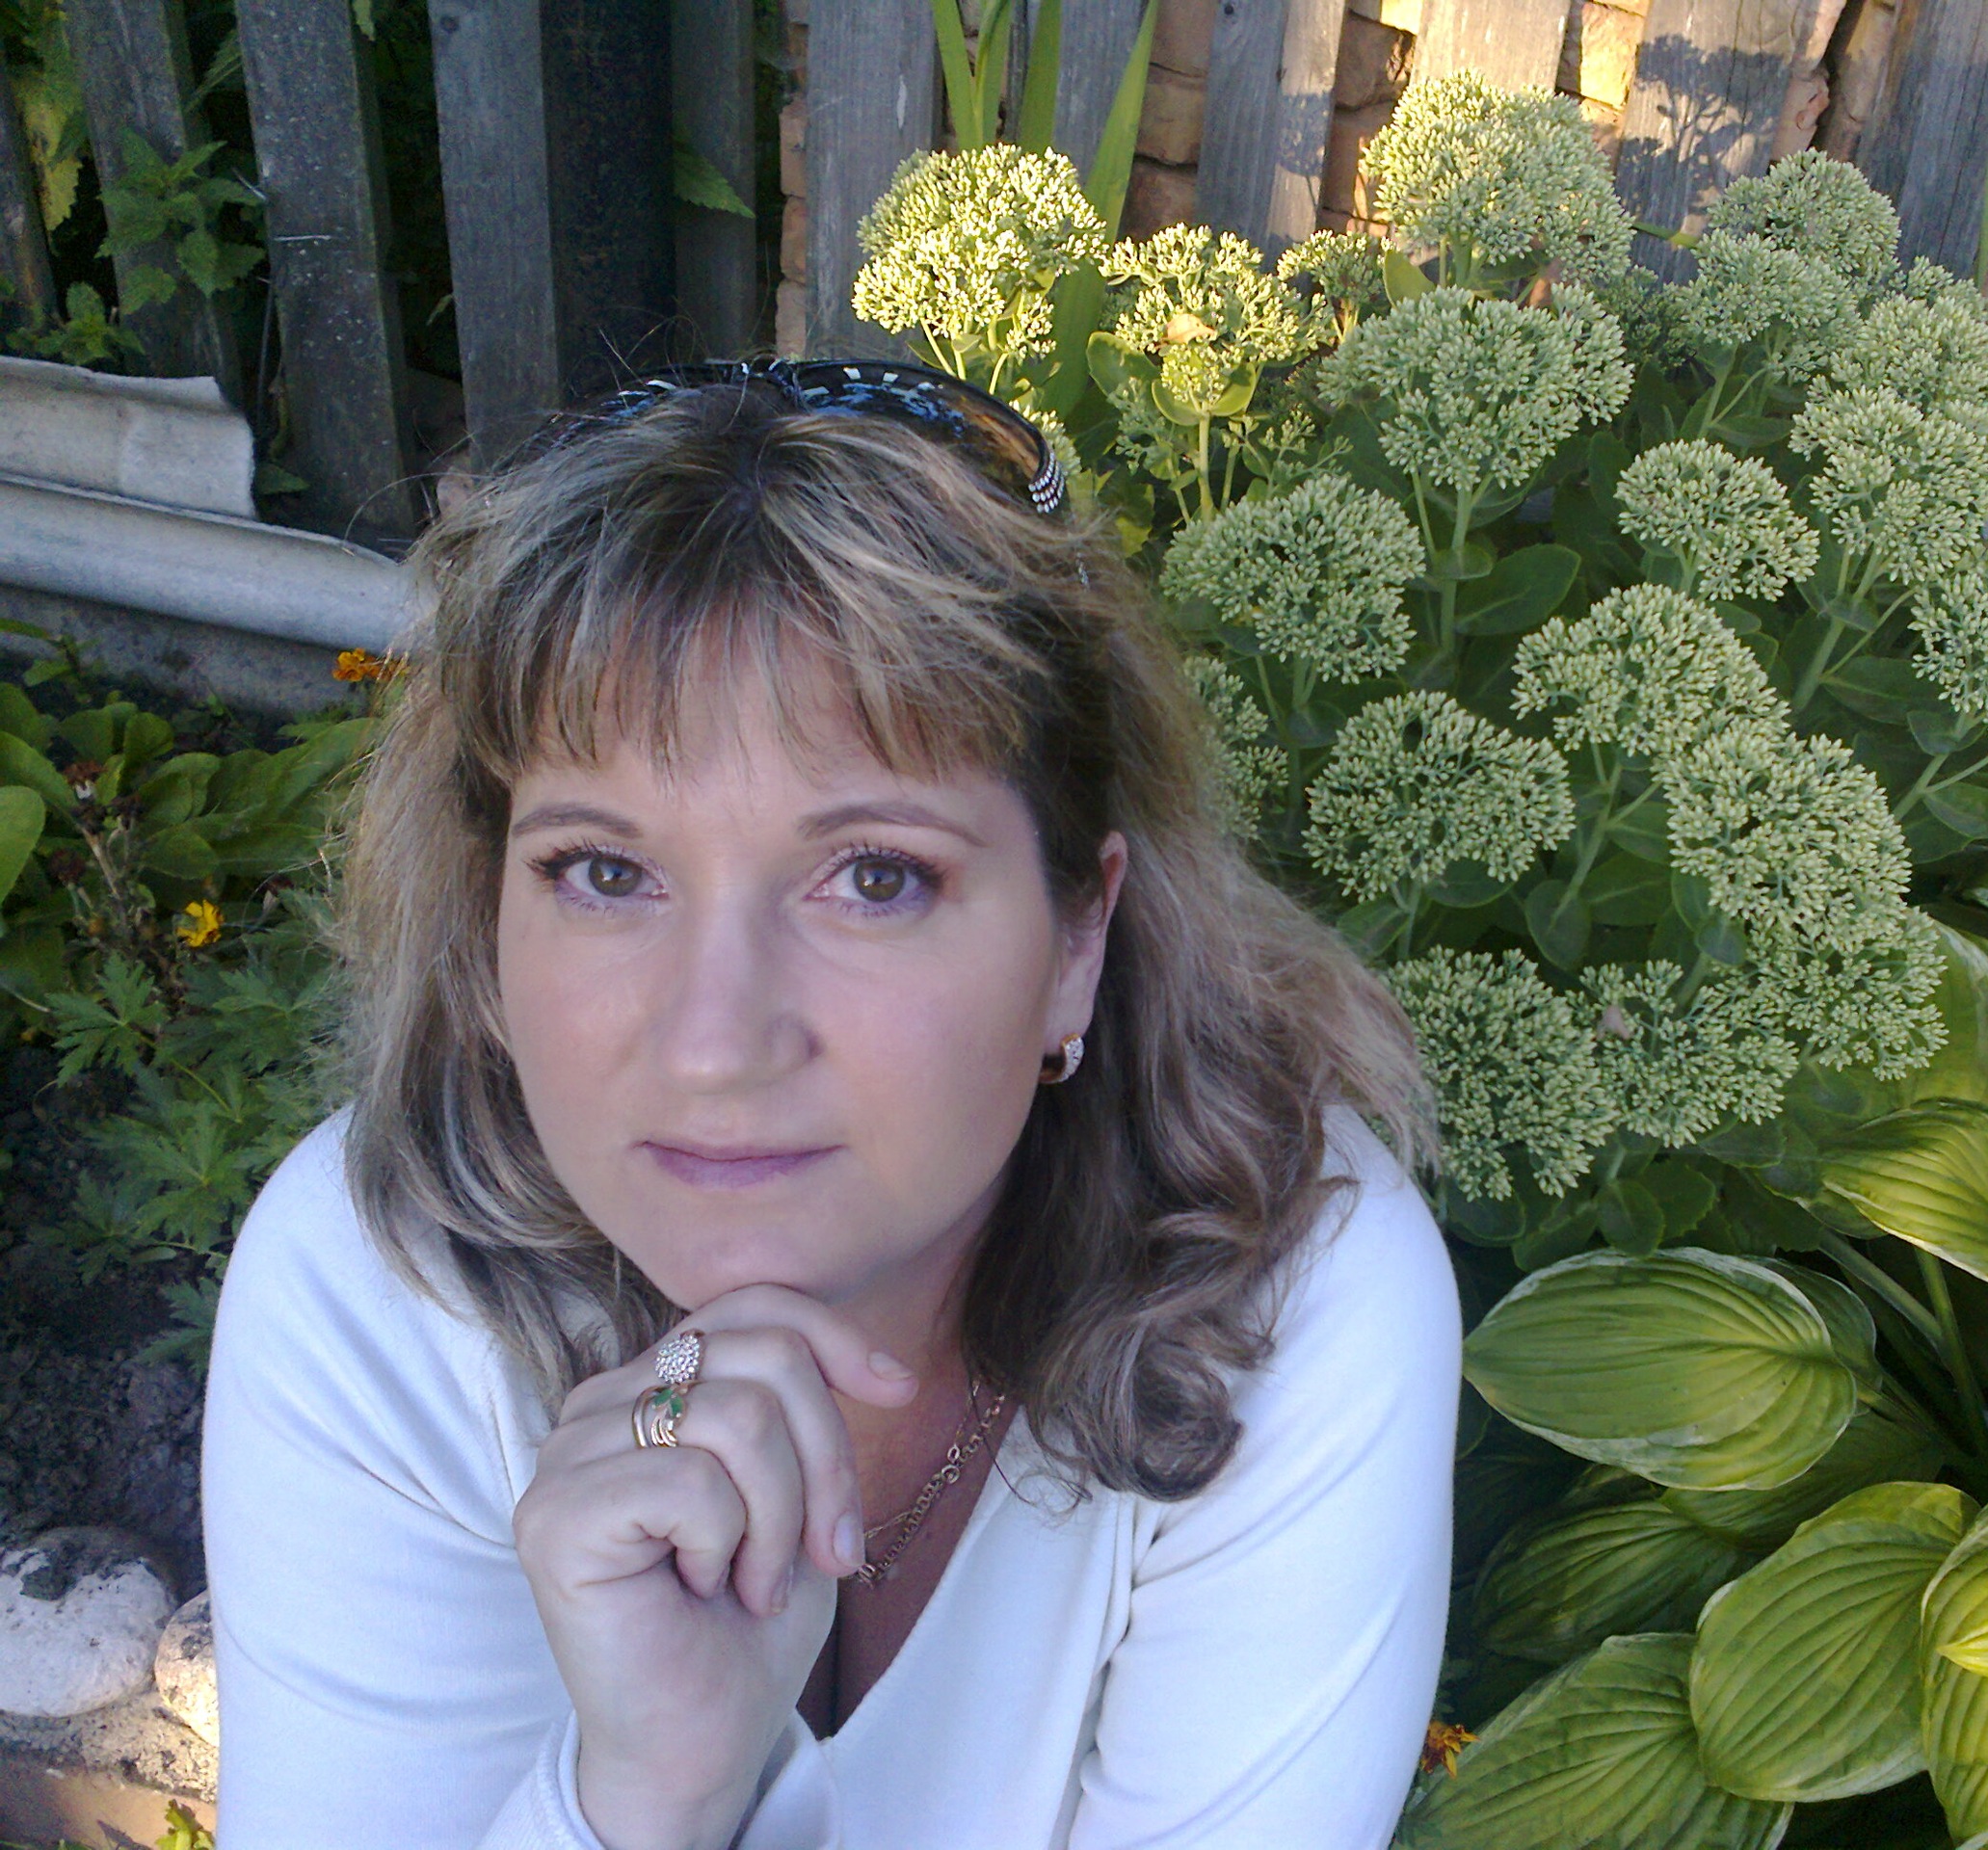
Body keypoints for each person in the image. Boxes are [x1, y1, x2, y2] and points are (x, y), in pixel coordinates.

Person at [199, 361, 1462, 1850]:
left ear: (1077, 938)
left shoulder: (1294, 1300)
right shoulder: (375, 1296)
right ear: (487, 927)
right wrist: (649, 1794)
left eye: (875, 877)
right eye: (606, 872)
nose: (714, 1045)